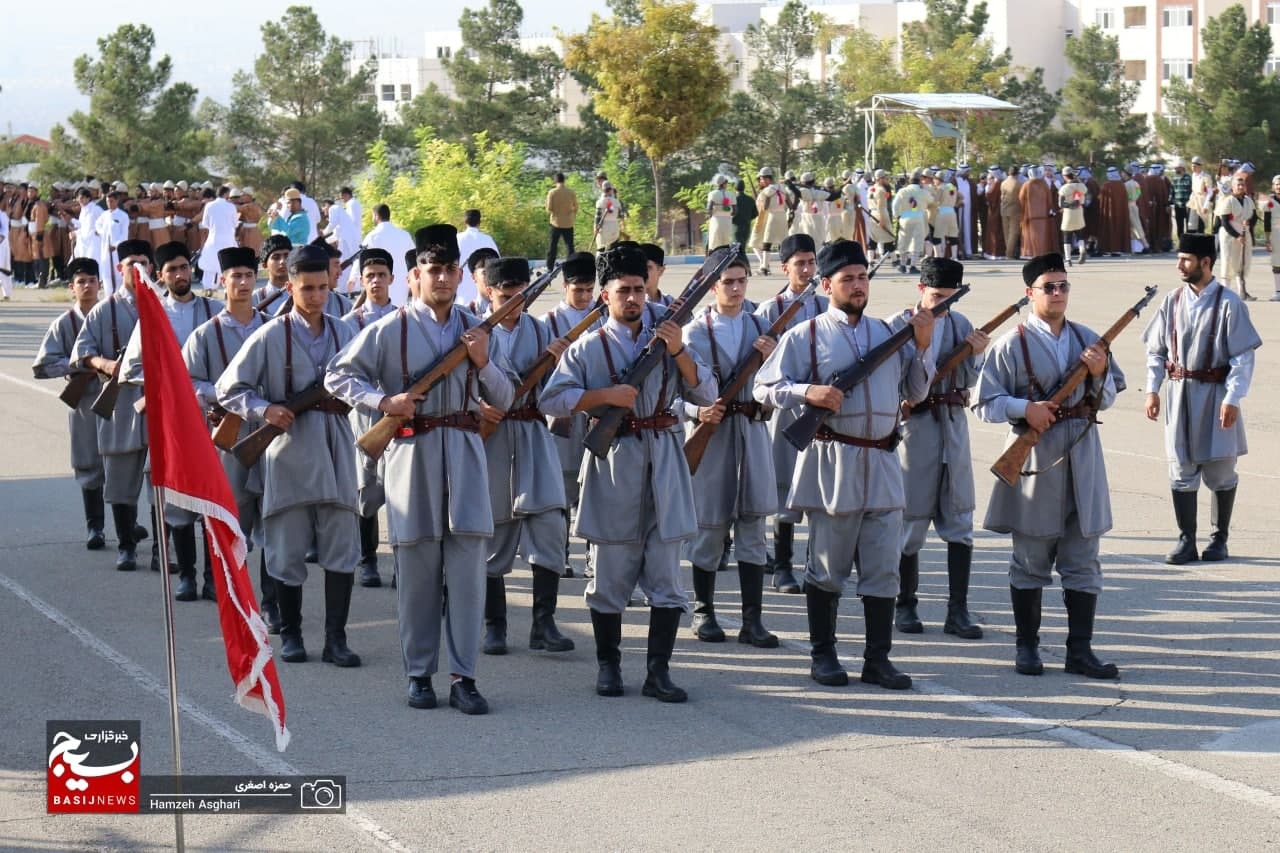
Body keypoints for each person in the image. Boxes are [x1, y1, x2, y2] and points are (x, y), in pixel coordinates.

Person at [326, 226, 513, 715]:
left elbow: (507, 395)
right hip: (412, 455)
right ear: (415, 276)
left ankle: (464, 677)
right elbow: (338, 375)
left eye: (451, 269)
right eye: (434, 269)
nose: (444, 277)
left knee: (469, 572)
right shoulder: (389, 329)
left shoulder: (477, 328)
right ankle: (419, 674)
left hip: (468, 457)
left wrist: (484, 362)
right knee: (416, 572)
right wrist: (384, 400)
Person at [754, 239, 936, 689]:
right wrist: (806, 392)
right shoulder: (806, 334)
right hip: (832, 458)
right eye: (847, 279)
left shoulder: (886, 333)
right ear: (826, 284)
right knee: (827, 566)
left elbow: (917, 393)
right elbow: (763, 387)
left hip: (884, 459)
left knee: (882, 568)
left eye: (862, 277)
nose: (857, 286)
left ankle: (878, 659)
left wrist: (925, 347)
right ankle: (824, 655)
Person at [540, 245, 717, 702]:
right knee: (611, 573)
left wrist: (678, 352)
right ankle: (609, 665)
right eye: (624, 291)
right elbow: (551, 401)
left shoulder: (671, 334)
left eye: (640, 289)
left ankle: (658, 671)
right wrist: (602, 396)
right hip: (615, 460)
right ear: (605, 295)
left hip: (665, 458)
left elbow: (707, 392)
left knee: (666, 576)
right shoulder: (588, 346)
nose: (634, 298)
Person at [974, 253, 1124, 680]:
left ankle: (1080, 651)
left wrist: (1098, 373)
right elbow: (983, 403)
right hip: (1035, 455)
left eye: (1063, 286)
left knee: (1083, 560)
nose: (1058, 294)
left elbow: (1109, 398)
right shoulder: (1009, 343)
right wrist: (1025, 408)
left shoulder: (1089, 339)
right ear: (1030, 293)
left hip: (1082, 456)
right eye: (1049, 287)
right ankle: (1027, 647)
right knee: (1030, 559)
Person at [216, 244, 363, 670]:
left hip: (337, 448)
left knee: (341, 548)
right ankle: (292, 634)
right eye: (306, 288)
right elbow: (229, 388)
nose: (315, 296)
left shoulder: (346, 332)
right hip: (288, 451)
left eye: (322, 287)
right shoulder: (269, 334)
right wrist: (265, 410)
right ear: (289, 286)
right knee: (285, 548)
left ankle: (337, 639)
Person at [469, 256, 576, 657]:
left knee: (550, 525)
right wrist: (480, 410)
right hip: (491, 437)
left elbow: (558, 389)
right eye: (507, 296)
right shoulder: (475, 331)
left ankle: (543, 623)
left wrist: (555, 361)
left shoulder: (543, 329)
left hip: (533, 431)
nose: (515, 304)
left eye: (521, 296)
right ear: (490, 292)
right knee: (493, 533)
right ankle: (494, 625)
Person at [1143, 233, 1261, 564]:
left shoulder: (1229, 303)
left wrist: (1233, 398)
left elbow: (1242, 357)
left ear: (1206, 263)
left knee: (1221, 469)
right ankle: (1186, 540)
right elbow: (1156, 351)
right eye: (1179, 258)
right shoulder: (1173, 300)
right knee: (1180, 468)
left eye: (1186, 260)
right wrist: (1152, 389)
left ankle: (1219, 539)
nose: (1179, 265)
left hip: (1216, 394)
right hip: (1179, 394)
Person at [681, 256, 779, 648]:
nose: (736, 289)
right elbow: (674, 393)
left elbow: (778, 383)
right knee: (709, 528)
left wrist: (770, 358)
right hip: (713, 432)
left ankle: (752, 620)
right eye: (728, 282)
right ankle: (704, 610)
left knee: (753, 528)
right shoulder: (693, 333)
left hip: (752, 429)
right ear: (712, 286)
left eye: (741, 280)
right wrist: (696, 412)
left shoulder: (763, 329)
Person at [119, 241, 225, 587]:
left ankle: (213, 577)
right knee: (178, 501)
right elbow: (131, 369)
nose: (180, 275)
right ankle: (188, 577)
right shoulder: (154, 314)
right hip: (172, 419)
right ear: (160, 276)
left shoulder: (214, 310)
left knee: (212, 497)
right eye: (172, 270)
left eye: (183, 267)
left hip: (212, 417)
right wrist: (168, 381)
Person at [893, 258, 986, 640]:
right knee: (910, 522)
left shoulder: (961, 325)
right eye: (935, 297)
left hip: (953, 428)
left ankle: (958, 611)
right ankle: (905, 605)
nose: (941, 306)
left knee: (960, 521)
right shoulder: (899, 324)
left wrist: (976, 353)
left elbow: (967, 378)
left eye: (949, 298)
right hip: (915, 429)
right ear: (920, 290)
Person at [183, 247, 273, 624]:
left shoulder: (272, 328)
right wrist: (223, 395)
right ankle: (227, 593)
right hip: (227, 436)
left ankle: (271, 604)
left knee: (273, 519)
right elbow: (188, 382)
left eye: (248, 275)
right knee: (226, 518)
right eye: (234, 275)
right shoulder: (205, 335)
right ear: (222, 281)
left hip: (269, 436)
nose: (242, 282)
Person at [71, 240, 155, 572]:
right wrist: (106, 365)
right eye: (131, 263)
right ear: (120, 268)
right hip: (120, 401)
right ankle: (126, 545)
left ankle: (164, 549)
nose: (138, 269)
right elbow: (82, 352)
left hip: (157, 404)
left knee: (162, 482)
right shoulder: (104, 310)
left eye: (143, 262)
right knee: (120, 479)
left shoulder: (163, 306)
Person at [753, 234, 826, 594]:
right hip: (786, 408)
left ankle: (818, 562)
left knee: (821, 486)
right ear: (785, 268)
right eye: (800, 263)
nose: (808, 269)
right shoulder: (768, 311)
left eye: (812, 262)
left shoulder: (827, 306)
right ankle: (783, 565)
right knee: (785, 487)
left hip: (824, 409)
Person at [32, 257, 107, 549]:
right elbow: (43, 366)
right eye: (81, 282)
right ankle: (95, 527)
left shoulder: (111, 315)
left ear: (100, 284)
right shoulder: (64, 323)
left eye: (92, 280)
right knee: (89, 463)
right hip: (85, 399)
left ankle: (128, 525)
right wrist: (78, 367)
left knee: (123, 462)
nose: (87, 286)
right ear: (71, 287)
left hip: (116, 399)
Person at [340, 248, 399, 588]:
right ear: (360, 281)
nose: (376, 281)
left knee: (400, 489)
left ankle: (401, 562)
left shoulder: (404, 317)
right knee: (365, 489)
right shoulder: (348, 324)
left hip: (399, 414)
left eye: (381, 274)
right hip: (362, 415)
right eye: (370, 276)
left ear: (392, 278)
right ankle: (368, 559)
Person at [541, 251, 600, 578]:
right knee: (561, 490)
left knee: (595, 487)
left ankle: (594, 557)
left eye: (589, 290)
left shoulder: (603, 317)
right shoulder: (548, 323)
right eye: (578, 290)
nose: (584, 296)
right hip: (562, 412)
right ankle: (560, 554)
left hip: (595, 410)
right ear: (565, 286)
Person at [360, 204, 415, 307]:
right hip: (402, 282)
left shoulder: (372, 236)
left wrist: (353, 278)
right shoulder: (404, 235)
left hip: (380, 282)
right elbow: (414, 259)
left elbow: (362, 258)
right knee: (399, 314)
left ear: (376, 216)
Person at [1214, 170, 1257, 301]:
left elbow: (1254, 217)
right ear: (1233, 186)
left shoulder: (1249, 201)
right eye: (1238, 185)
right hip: (1230, 235)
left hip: (1245, 234)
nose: (1240, 187)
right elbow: (1225, 222)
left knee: (1242, 263)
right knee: (1228, 262)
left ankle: (1242, 291)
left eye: (1242, 185)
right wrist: (1237, 235)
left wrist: (1249, 224)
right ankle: (1224, 292)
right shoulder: (1228, 201)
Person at [198, 185, 240, 290]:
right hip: (228, 240)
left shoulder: (209, 205)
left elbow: (205, 223)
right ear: (226, 194)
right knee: (229, 264)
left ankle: (208, 287)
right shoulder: (231, 207)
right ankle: (229, 287)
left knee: (210, 264)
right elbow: (235, 223)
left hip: (213, 238)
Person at [456, 208, 498, 308]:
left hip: (461, 294)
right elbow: (497, 265)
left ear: (465, 221)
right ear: (479, 222)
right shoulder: (488, 240)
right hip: (484, 294)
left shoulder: (456, 239)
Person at [893, 172, 932, 274]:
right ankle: (913, 266)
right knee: (917, 242)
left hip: (905, 217)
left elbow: (895, 205)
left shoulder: (902, 191)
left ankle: (902, 265)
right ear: (919, 181)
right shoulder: (923, 192)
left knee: (903, 241)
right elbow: (931, 201)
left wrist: (897, 216)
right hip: (918, 217)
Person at [753, 167, 790, 275]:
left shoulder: (767, 191)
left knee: (767, 243)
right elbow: (790, 204)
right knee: (783, 242)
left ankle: (764, 267)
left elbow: (765, 208)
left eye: (762, 179)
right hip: (782, 215)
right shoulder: (783, 188)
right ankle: (788, 264)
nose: (761, 181)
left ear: (767, 179)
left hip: (772, 216)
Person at [321, 198, 361, 294]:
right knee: (349, 263)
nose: (323, 210)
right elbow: (335, 235)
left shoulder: (333, 208)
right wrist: (323, 240)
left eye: (324, 207)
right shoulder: (341, 215)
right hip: (349, 239)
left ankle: (344, 290)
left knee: (344, 264)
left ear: (327, 205)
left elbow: (332, 224)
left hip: (346, 240)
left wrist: (322, 233)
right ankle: (352, 289)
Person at [545, 172, 578, 267]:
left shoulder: (552, 192)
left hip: (555, 222)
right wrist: (571, 214)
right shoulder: (571, 192)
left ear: (555, 181)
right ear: (564, 180)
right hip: (568, 222)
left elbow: (549, 208)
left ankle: (550, 266)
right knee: (570, 246)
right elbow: (576, 207)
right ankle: (572, 265)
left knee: (553, 246)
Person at [1058, 167, 1089, 266]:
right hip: (1079, 212)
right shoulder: (1082, 187)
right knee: (1080, 235)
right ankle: (1082, 249)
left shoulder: (1064, 188)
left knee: (1067, 237)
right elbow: (1084, 199)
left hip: (1068, 214)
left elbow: (1061, 204)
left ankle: (1068, 259)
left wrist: (1070, 205)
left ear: (1064, 176)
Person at [706, 174, 736, 251]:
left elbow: (708, 209)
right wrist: (729, 214)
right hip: (727, 220)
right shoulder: (731, 194)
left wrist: (710, 217)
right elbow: (735, 210)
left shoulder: (712, 194)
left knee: (714, 241)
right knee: (726, 240)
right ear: (724, 184)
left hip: (716, 219)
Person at [1000, 167, 1023, 260]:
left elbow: (1002, 197)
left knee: (1007, 233)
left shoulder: (1003, 183)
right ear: (1017, 174)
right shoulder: (1019, 184)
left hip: (1004, 210)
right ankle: (1009, 254)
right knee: (1014, 233)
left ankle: (1009, 253)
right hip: (1015, 210)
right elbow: (1021, 198)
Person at [732, 179, 757, 258]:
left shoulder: (734, 199)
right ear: (744, 188)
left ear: (735, 188)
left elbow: (730, 213)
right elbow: (756, 213)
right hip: (747, 226)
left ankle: (744, 266)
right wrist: (748, 218)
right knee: (742, 248)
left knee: (738, 249)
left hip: (736, 226)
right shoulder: (750, 200)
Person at [594, 183, 623, 249]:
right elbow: (620, 215)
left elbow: (598, 217)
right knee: (614, 247)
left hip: (604, 227)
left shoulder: (600, 202)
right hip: (615, 227)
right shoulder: (617, 202)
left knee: (602, 248)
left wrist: (596, 227)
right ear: (611, 189)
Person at [1170, 163, 1193, 240]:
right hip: (1178, 206)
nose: (1175, 170)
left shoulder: (1189, 178)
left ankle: (1189, 244)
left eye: (1177, 168)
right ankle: (1181, 243)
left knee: (1189, 225)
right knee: (1179, 226)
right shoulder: (1174, 179)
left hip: (1188, 206)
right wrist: (1169, 203)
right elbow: (1171, 192)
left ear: (1182, 168)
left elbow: (1192, 191)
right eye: (1175, 168)